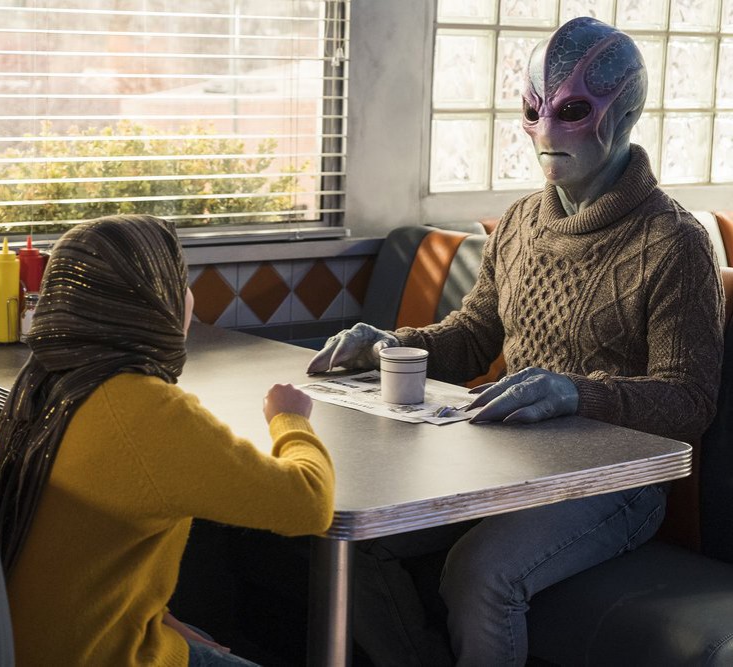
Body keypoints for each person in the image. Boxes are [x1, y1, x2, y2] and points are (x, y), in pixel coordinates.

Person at [307, 17, 723, 666]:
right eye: (534, 110)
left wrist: (573, 393)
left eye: (573, 111)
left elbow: (688, 402)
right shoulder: (520, 222)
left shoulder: (675, 242)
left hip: (616, 482)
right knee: (350, 536)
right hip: (506, 460)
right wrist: (389, 344)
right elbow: (473, 335)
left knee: (480, 574)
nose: (547, 130)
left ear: (625, 113)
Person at [0, 214, 335, 666]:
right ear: (152, 299)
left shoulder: (42, 384)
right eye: (180, 281)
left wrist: (157, 614)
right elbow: (309, 504)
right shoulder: (142, 407)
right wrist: (289, 418)